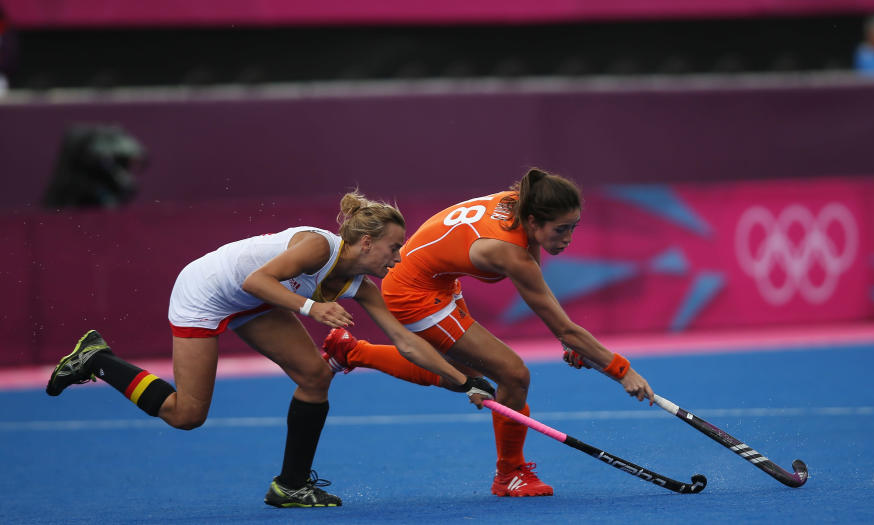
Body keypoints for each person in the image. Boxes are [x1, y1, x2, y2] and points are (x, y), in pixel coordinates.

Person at [45, 192, 495, 508]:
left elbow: (407, 342)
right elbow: (253, 280)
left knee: (316, 376)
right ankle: (97, 359)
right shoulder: (318, 246)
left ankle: (291, 486)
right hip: (206, 292)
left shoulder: (362, 286)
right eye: (393, 248)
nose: (397, 258)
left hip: (258, 301)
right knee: (186, 415)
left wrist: (463, 382)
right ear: (365, 242)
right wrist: (311, 310)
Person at [319, 168, 655, 497]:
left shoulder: (523, 206)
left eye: (573, 227)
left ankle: (350, 351)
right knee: (513, 374)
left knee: (461, 377)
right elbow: (564, 325)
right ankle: (510, 474)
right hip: (413, 291)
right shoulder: (508, 250)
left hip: (437, 280)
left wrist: (572, 343)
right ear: (535, 222)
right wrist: (622, 371)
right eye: (561, 229)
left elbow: (551, 310)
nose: (568, 239)